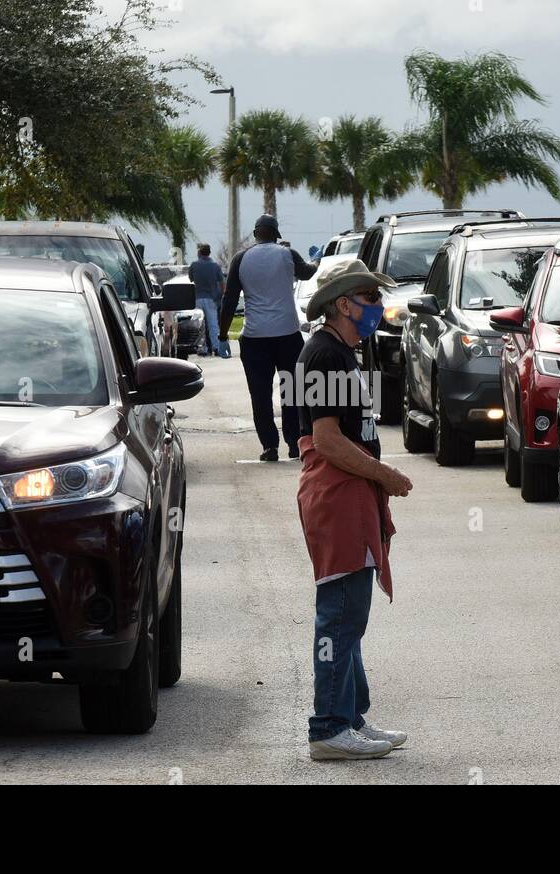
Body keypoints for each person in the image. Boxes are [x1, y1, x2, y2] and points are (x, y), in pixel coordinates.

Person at [296, 258, 413, 761]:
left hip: (352, 494)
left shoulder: (342, 353)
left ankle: (351, 718)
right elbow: (326, 440)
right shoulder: (324, 354)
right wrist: (385, 474)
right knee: (340, 613)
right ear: (343, 303)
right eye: (368, 298)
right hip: (338, 495)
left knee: (351, 613)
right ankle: (328, 727)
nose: (377, 308)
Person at [220, 214, 318, 462]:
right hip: (288, 335)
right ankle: (296, 444)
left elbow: (230, 299)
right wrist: (316, 262)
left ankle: (269, 446)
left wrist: (222, 333)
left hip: (254, 339)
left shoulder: (240, 259)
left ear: (255, 234)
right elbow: (306, 273)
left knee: (260, 395)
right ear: (276, 235)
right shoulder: (288, 254)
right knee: (293, 392)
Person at [187, 244, 228, 358]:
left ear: (199, 252)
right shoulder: (215, 266)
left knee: (200, 325)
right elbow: (222, 282)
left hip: (197, 298)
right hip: (211, 298)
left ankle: (203, 348)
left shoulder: (194, 265)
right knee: (213, 324)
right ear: (209, 253)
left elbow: (191, 279)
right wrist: (222, 294)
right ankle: (216, 347)